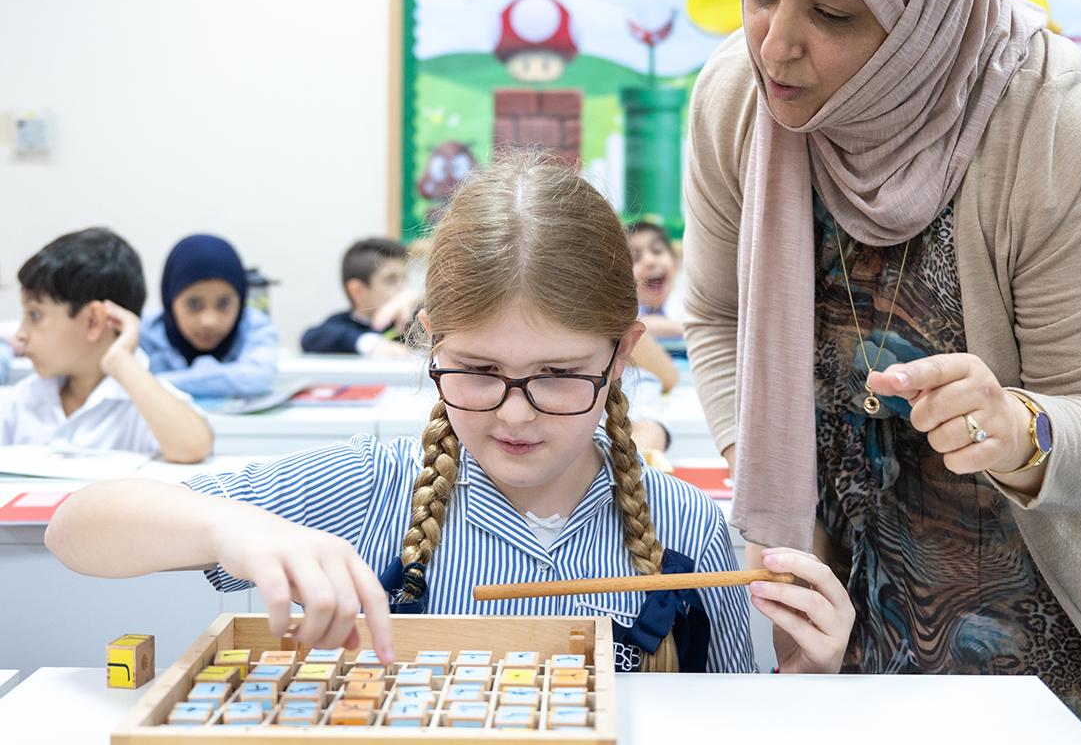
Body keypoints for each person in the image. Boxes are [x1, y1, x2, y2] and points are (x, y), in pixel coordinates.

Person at [683, 0, 1081, 740]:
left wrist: (1019, 429)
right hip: (861, 609)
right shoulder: (740, 101)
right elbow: (718, 318)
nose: (776, 44)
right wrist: (765, 472)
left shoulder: (1062, 129)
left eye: (831, 11)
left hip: (1065, 626)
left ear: (924, 14)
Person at [47, 156, 761, 674]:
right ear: (429, 342)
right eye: (478, 371)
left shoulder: (687, 526)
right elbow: (74, 529)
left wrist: (805, 677)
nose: (516, 414)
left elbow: (739, 716)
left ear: (622, 355)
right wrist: (229, 526)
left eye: (558, 375)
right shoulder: (371, 489)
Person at [1, 228, 212, 463]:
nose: (20, 334)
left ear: (93, 321)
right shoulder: (23, 399)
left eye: (35, 315)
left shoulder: (146, 402)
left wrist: (121, 360)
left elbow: (193, 447)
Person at [140, 235, 278, 397]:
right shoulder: (142, 332)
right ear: (170, 299)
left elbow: (259, 377)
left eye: (224, 304)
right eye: (193, 305)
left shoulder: (254, 326)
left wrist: (150, 383)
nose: (209, 321)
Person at [300, 237, 417, 358]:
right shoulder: (339, 324)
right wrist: (372, 344)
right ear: (357, 290)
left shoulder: (411, 322)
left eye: (404, 278)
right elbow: (310, 339)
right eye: (391, 279)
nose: (403, 288)